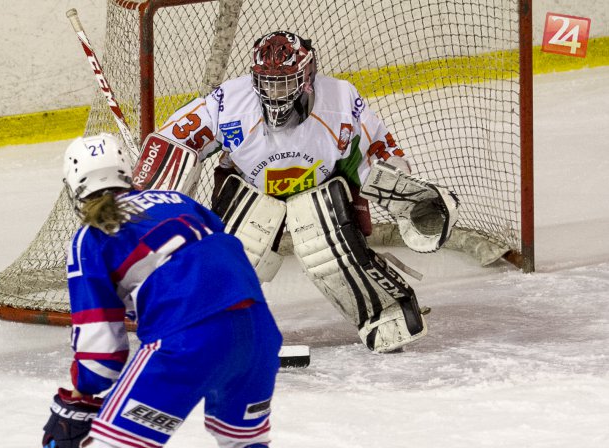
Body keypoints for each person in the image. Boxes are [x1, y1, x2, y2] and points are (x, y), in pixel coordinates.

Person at [42, 132, 318, 448]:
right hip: (257, 331)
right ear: (127, 173)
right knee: (242, 437)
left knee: (119, 443)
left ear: (74, 187)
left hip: (189, 338)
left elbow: (100, 347)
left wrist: (81, 402)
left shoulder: (91, 237)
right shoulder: (179, 200)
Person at [153, 31, 458, 353]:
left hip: (321, 188)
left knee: (326, 243)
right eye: (267, 83)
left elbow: (378, 149)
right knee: (237, 253)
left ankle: (386, 312)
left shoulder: (341, 98)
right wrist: (149, 198)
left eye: (285, 83)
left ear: (308, 77)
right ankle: (207, 323)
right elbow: (173, 140)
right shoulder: (228, 100)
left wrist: (406, 193)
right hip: (250, 189)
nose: (275, 93)